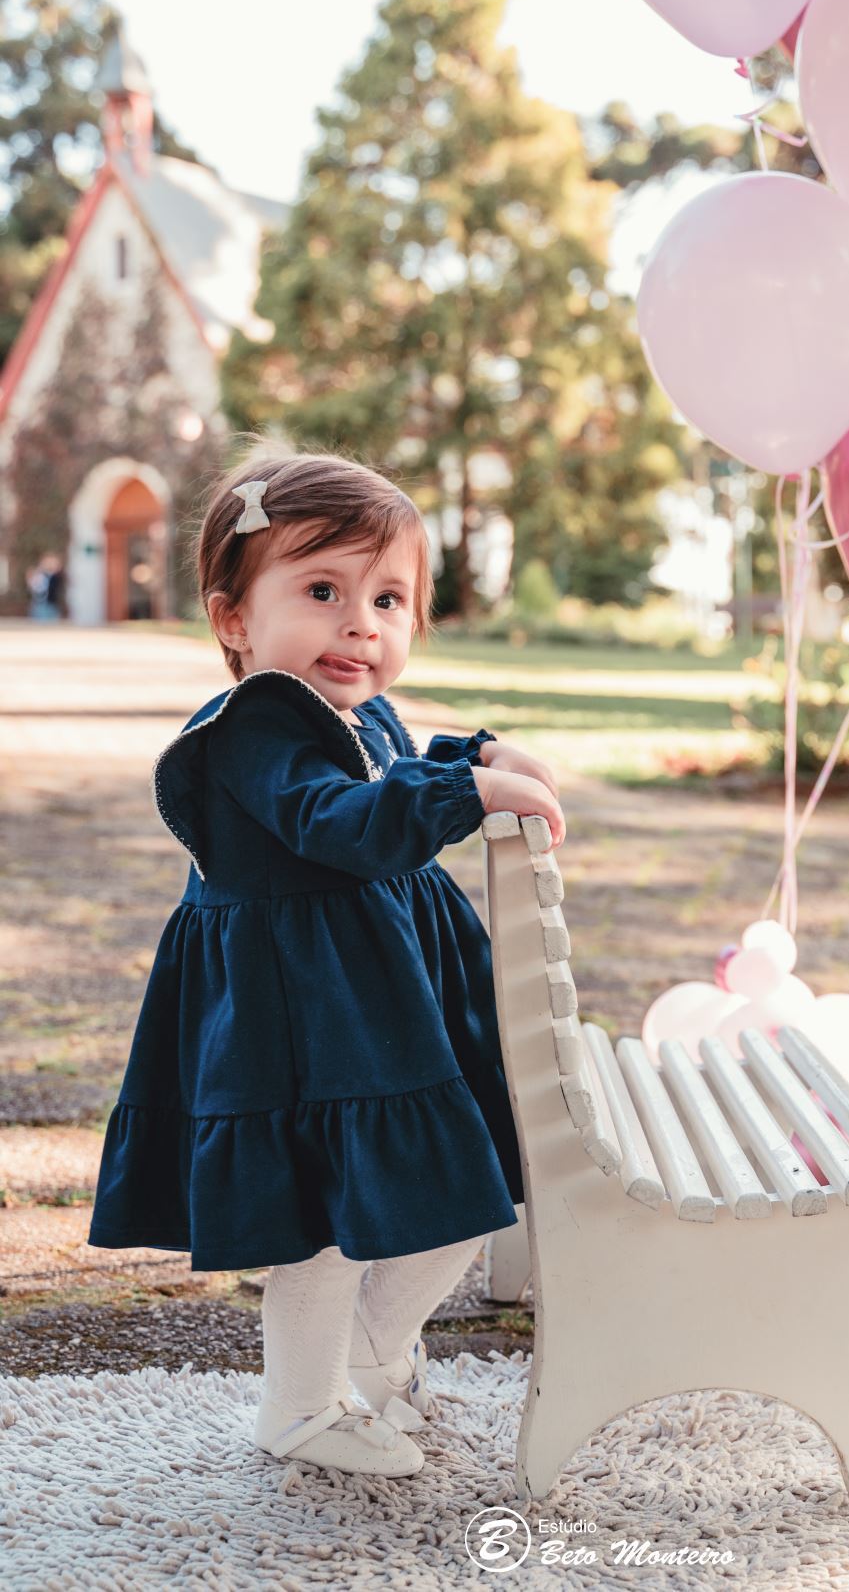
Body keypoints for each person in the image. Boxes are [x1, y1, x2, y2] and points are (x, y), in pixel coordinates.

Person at [87, 443, 566, 1479]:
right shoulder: (254, 728)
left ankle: (371, 1347)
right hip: (297, 1023)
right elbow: (341, 818)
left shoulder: (355, 708)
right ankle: (303, 1402)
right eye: (323, 589)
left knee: (459, 1190)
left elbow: (386, 767)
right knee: (321, 1222)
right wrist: (459, 801)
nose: (362, 622)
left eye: (390, 598)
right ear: (233, 618)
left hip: (373, 1010)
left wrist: (472, 756)